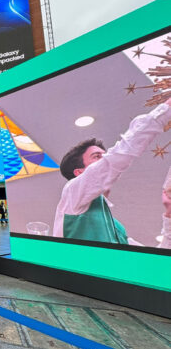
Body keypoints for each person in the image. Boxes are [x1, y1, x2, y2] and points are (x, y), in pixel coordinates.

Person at [54, 99, 171, 246]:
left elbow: (156, 261)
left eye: (105, 156)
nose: (104, 159)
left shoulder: (118, 230)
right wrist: (165, 111)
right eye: (97, 157)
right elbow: (116, 158)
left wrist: (169, 217)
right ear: (79, 172)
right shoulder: (72, 193)